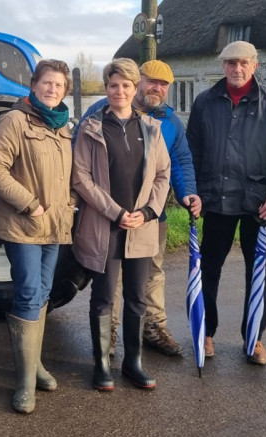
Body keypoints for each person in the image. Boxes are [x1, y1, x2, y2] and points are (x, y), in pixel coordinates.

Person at [79, 59, 201, 357]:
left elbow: (178, 163)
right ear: (138, 83)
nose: (156, 88)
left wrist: (188, 194)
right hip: (106, 218)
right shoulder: (97, 115)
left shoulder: (168, 123)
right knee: (112, 281)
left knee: (153, 273)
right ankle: (108, 341)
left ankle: (153, 329)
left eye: (163, 84)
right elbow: (80, 166)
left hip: (149, 217)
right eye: (151, 81)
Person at [186, 41, 266, 366]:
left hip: (260, 204)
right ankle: (206, 331)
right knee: (208, 269)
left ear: (254, 65)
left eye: (243, 63)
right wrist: (194, 192)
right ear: (223, 66)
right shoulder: (205, 102)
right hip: (215, 201)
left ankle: (254, 337)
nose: (237, 69)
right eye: (230, 63)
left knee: (258, 272)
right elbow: (192, 151)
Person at [72, 58, 171, 391]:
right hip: (105, 226)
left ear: (135, 89)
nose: (119, 91)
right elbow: (81, 178)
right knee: (103, 297)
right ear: (106, 88)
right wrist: (115, 212)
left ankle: (133, 363)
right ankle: (102, 365)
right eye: (113, 85)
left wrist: (148, 212)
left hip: (141, 226)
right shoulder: (91, 127)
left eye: (126, 85)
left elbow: (162, 174)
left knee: (137, 297)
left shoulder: (151, 129)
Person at [0, 59, 75, 414]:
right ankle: (23, 383)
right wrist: (30, 204)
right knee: (27, 294)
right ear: (34, 85)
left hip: (54, 226)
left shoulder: (63, 129)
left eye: (58, 86)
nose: (52, 89)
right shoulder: (15, 121)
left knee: (44, 292)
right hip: (22, 225)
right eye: (47, 83)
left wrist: (69, 202)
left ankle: (35, 365)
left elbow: (68, 176)